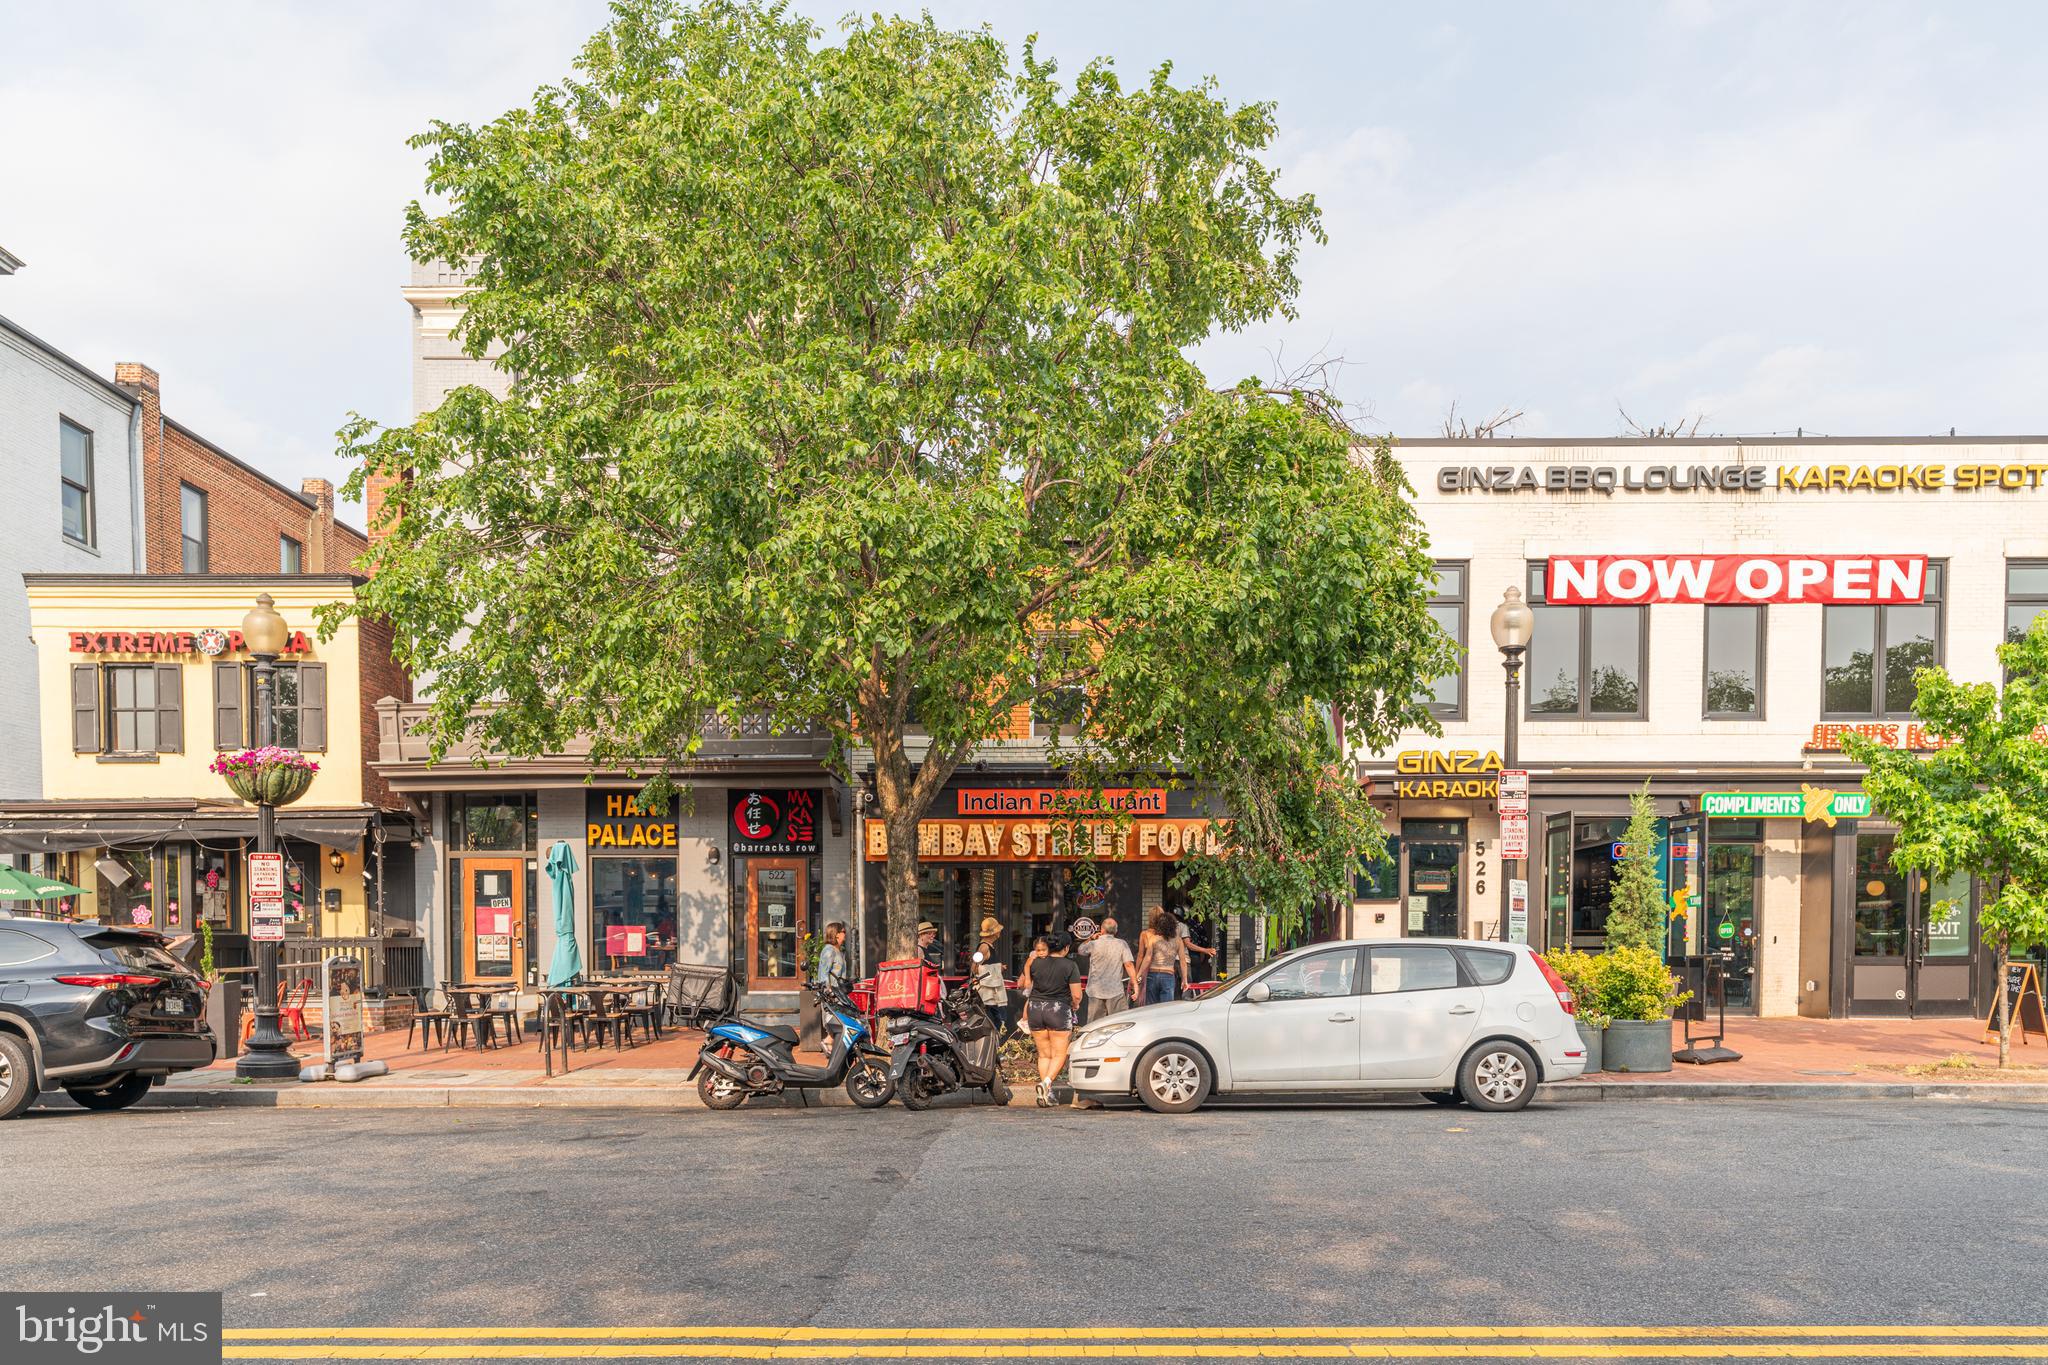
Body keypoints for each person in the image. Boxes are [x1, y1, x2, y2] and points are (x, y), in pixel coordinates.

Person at [1024, 931, 1085, 1107]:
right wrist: (1075, 1005)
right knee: (1059, 1054)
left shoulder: (1036, 963)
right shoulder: (1070, 965)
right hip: (1058, 1010)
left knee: (1044, 1054)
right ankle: (1046, 1083)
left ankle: (1047, 1094)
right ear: (1066, 948)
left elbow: (1026, 981)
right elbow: (1076, 994)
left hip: (1035, 1009)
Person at [1080, 916, 1138, 1023]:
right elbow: (1129, 965)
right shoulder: (1121, 944)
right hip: (1115, 990)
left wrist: (1091, 938)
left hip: (1095, 990)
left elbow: (1080, 950)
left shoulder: (1093, 944)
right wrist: (1135, 984)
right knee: (1119, 1023)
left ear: (1102, 930)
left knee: (1095, 1025)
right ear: (1115, 931)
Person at [1136, 908, 1188, 1005]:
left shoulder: (1154, 939)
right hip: (1168, 975)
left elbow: (1147, 958)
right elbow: (1183, 962)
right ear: (1173, 925)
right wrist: (1184, 979)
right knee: (1166, 1009)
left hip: (1152, 975)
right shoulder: (1178, 941)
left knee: (1151, 1008)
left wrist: (1138, 974)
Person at [974, 915, 1011, 1037]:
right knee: (995, 1019)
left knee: (998, 1019)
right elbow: (975, 968)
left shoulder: (989, 946)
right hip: (989, 993)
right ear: (993, 933)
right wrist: (996, 969)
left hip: (992, 991)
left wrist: (997, 968)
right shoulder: (984, 947)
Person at [815, 921, 848, 992]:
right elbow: (824, 973)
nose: (845, 934)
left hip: (839, 992)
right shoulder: (829, 950)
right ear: (836, 934)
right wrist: (828, 992)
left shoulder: (838, 950)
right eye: (843, 931)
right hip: (832, 995)